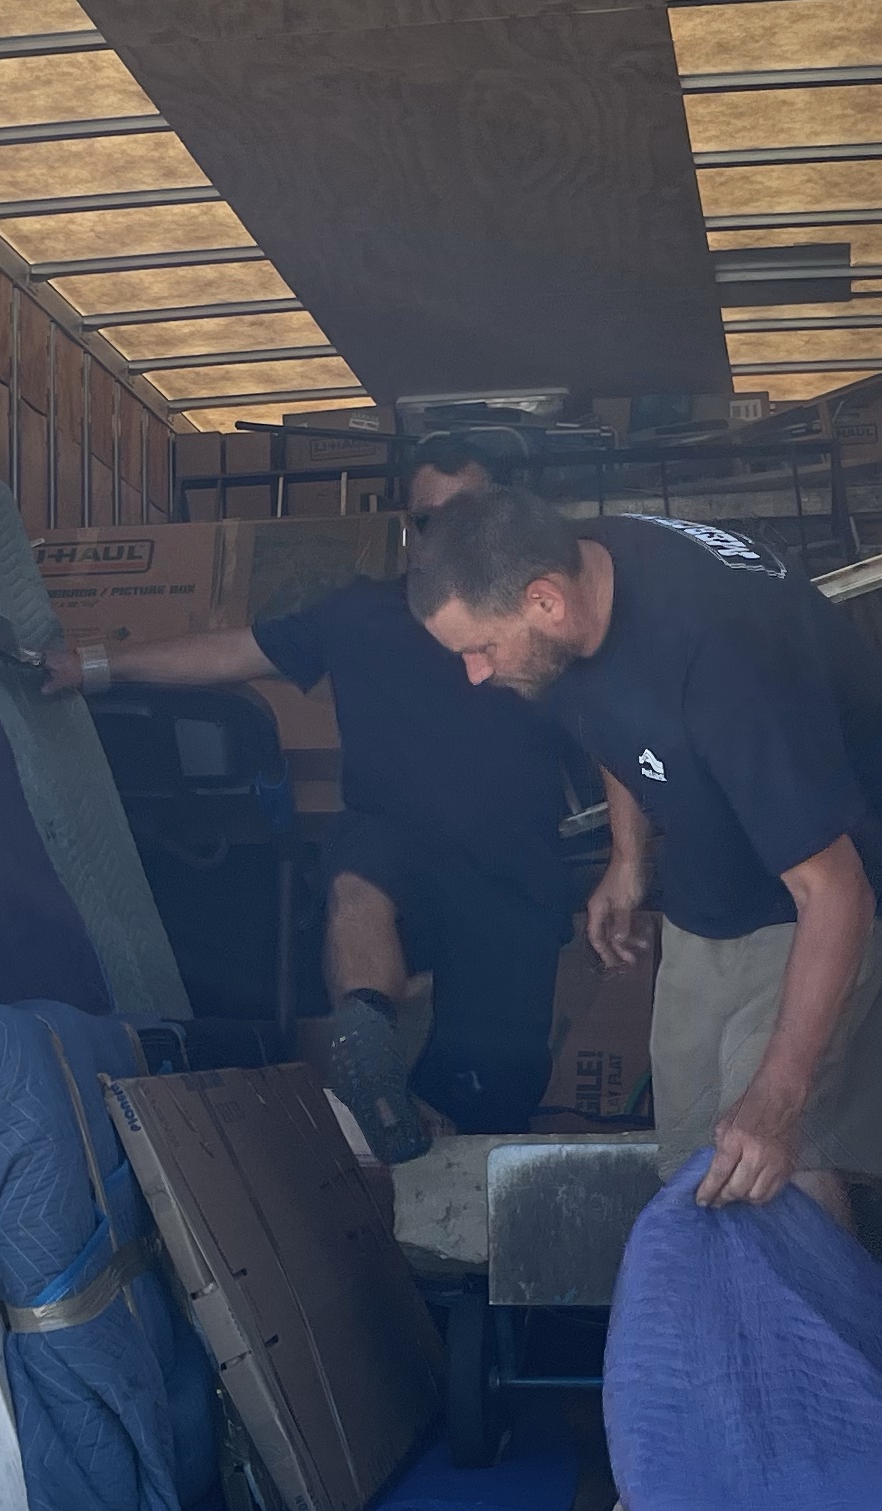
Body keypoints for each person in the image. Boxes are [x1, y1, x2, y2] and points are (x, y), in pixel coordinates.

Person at [41, 439, 590, 1149]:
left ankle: (440, 1153)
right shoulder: (357, 613)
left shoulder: (542, 622)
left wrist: (632, 859)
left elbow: (614, 727)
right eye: (431, 520)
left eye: (469, 515)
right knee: (357, 880)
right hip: (394, 836)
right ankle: (364, 1044)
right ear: (408, 528)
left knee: (491, 1093)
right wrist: (91, 668)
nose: (448, 536)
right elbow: (231, 650)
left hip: (511, 865)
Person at [406, 488, 882, 1217]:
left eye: (480, 648)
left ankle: (814, 1288)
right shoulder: (574, 583)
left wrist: (778, 1098)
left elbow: (837, 891)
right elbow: (606, 715)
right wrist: (629, 859)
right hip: (716, 872)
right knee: (694, 1155)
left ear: (545, 601)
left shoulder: (725, 660)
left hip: (829, 882)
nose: (475, 673)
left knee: (772, 1167)